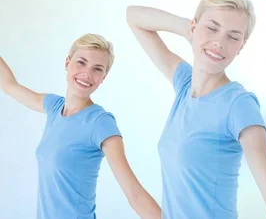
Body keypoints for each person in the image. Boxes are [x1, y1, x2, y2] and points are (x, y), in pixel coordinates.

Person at [126, 0, 266, 219]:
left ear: (240, 47)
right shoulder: (184, 84)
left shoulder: (239, 105)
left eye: (233, 37)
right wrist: (187, 27)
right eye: (212, 28)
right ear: (194, 27)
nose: (219, 43)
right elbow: (134, 16)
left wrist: (202, 31)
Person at [0, 34, 161, 219]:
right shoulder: (54, 107)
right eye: (81, 62)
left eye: (97, 69)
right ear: (67, 62)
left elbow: (135, 195)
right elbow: (8, 85)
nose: (87, 73)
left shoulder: (100, 122)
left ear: (103, 77)